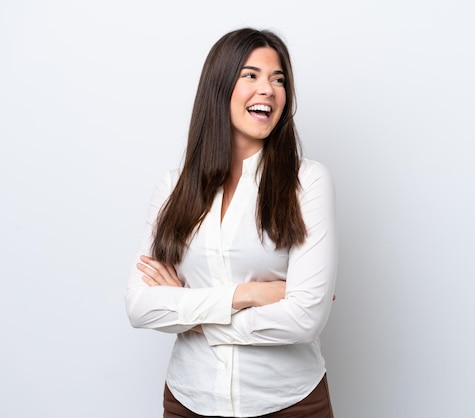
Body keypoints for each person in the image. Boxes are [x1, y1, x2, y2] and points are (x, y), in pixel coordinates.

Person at [125, 27, 338, 418]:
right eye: (251, 75)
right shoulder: (174, 187)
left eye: (279, 80)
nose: (268, 90)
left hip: (288, 404)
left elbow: (304, 319)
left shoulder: (308, 181)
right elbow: (140, 306)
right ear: (220, 87)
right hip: (190, 401)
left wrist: (194, 319)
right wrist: (248, 295)